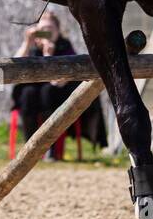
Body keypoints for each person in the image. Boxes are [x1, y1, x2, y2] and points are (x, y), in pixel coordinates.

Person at [11, 11, 98, 161]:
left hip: (57, 92)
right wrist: (27, 42)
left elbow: (60, 81)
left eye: (50, 30)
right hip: (34, 92)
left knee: (48, 92)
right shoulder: (33, 46)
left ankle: (50, 148)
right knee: (27, 94)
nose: (46, 33)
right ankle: (29, 149)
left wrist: (48, 56)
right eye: (43, 30)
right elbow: (12, 68)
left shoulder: (65, 46)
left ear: (58, 31)